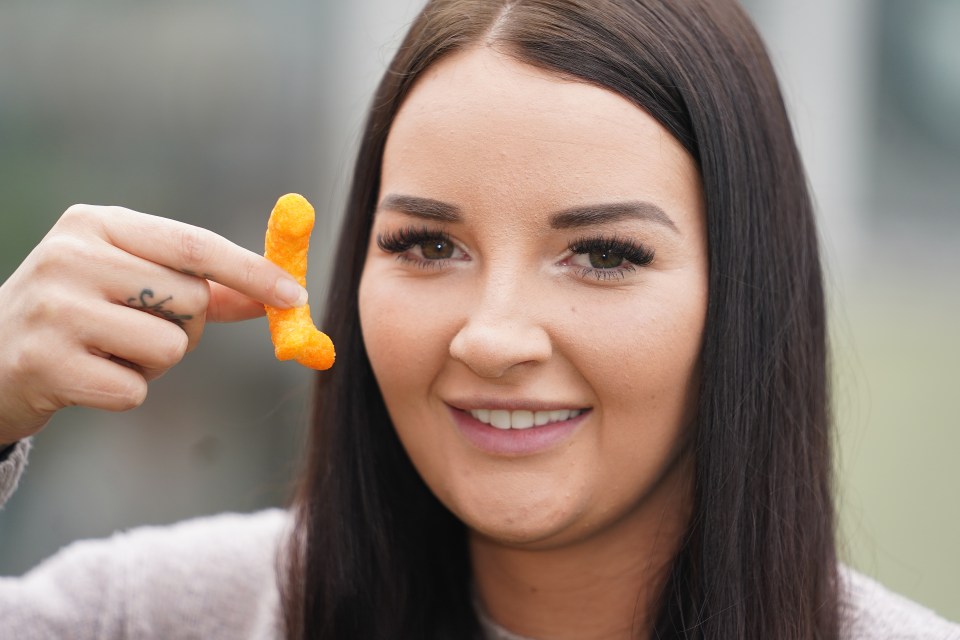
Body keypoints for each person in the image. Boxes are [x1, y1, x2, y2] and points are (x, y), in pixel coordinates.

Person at [0, 0, 958, 638]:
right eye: (426, 245)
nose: (493, 338)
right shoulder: (150, 616)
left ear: (743, 293)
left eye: (606, 256)